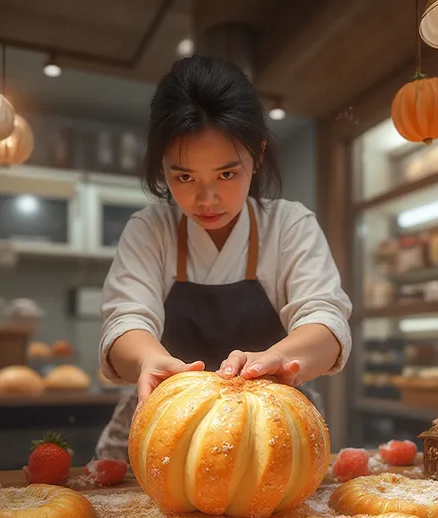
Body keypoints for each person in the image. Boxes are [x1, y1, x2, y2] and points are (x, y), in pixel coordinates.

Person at [95, 54, 352, 461]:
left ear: (259, 153)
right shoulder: (150, 229)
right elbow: (126, 321)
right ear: (162, 166)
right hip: (162, 438)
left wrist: (280, 359)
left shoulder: (289, 225)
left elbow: (325, 322)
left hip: (272, 438)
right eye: (183, 177)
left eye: (227, 174)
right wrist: (150, 359)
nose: (206, 198)